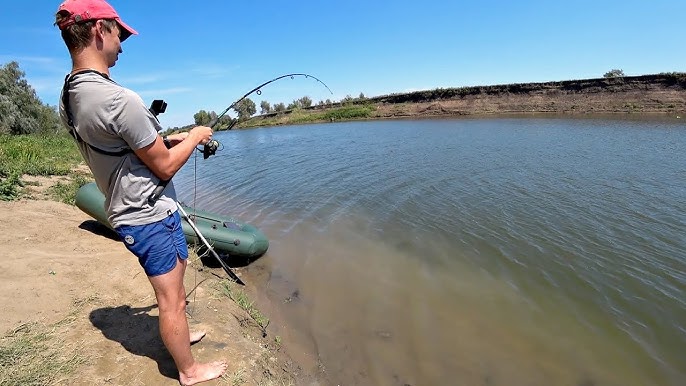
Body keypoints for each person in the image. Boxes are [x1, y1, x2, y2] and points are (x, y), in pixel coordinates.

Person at [54, 0, 228, 384]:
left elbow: (121, 144)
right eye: (120, 34)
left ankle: (181, 330)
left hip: (132, 209)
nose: (122, 45)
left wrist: (168, 139)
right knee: (170, 300)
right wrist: (197, 135)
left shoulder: (69, 95)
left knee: (175, 291)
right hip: (147, 215)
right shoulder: (120, 99)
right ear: (99, 29)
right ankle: (188, 370)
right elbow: (163, 165)